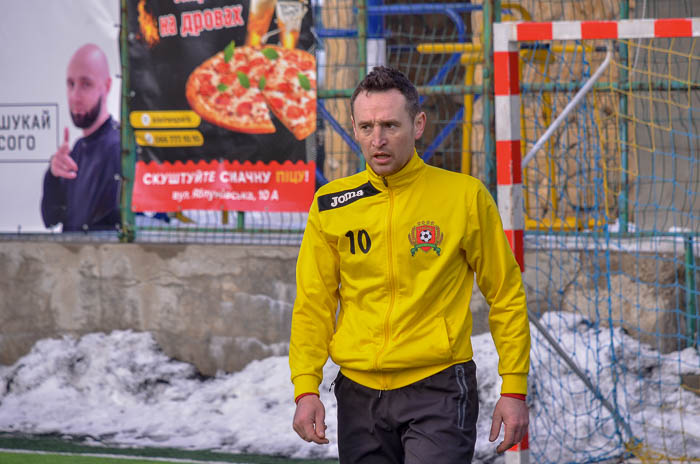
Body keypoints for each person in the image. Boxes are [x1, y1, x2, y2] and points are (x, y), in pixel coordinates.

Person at [289, 66, 531, 463]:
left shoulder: (464, 197)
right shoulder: (331, 205)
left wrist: (514, 389)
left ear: (418, 124)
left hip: (437, 388)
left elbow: (506, 295)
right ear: (353, 127)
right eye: (366, 127)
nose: (378, 140)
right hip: (358, 395)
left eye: (390, 125)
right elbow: (313, 304)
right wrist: (305, 388)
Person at [41, 43, 121, 232]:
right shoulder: (76, 150)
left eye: (86, 84)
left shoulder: (119, 149)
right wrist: (52, 175)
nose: (75, 96)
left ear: (107, 86)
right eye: (71, 84)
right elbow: (51, 217)